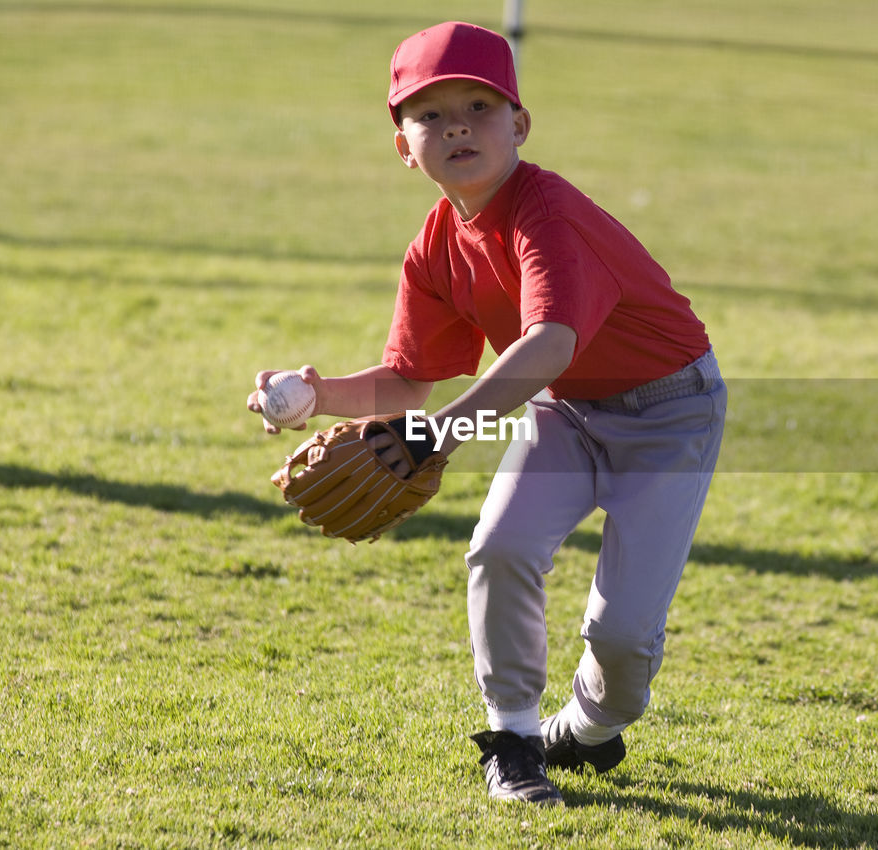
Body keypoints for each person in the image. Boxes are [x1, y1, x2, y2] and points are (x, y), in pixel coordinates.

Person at [247, 21, 726, 807]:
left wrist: (442, 433)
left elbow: (550, 345)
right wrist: (317, 394)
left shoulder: (546, 211)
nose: (456, 126)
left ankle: (590, 729)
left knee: (622, 639)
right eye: (429, 115)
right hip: (564, 413)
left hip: (670, 411)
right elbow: (409, 382)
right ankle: (512, 739)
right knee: (499, 547)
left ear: (520, 124)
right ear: (403, 145)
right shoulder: (435, 247)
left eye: (478, 105)